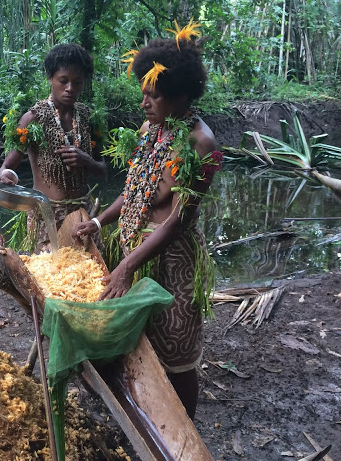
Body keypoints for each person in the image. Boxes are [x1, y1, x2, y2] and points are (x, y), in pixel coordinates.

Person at [74, 22, 223, 420]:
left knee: (177, 351)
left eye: (153, 96)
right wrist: (99, 221)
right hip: (133, 251)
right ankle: (145, 411)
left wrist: (125, 268)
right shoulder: (149, 130)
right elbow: (135, 190)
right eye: (143, 93)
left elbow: (176, 221)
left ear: (181, 96)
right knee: (140, 342)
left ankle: (183, 431)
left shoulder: (200, 145)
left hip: (171, 262)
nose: (144, 104)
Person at [0, 43, 107, 252]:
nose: (70, 89)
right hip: (47, 215)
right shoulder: (33, 119)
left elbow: (102, 170)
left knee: (89, 276)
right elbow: (6, 167)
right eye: (63, 81)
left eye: (77, 83)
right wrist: (5, 176)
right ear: (50, 78)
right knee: (52, 277)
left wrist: (86, 160)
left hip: (83, 213)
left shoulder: (88, 118)